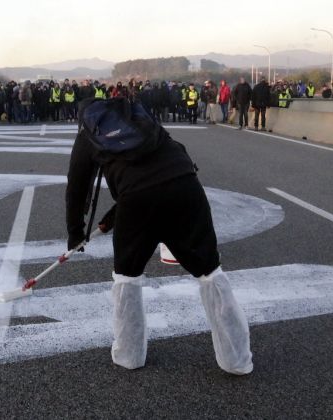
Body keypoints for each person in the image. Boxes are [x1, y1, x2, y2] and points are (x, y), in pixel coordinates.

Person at [65, 97, 253, 374]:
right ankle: (236, 360)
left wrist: (75, 233)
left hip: (138, 199)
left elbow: (77, 188)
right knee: (210, 272)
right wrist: (114, 215)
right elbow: (157, 168)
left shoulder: (89, 134)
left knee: (127, 277)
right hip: (185, 184)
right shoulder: (142, 119)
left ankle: (130, 355)